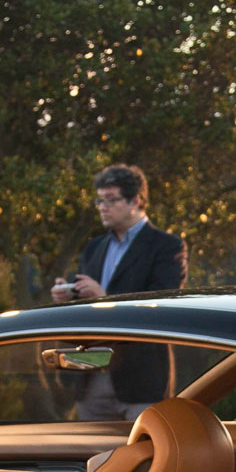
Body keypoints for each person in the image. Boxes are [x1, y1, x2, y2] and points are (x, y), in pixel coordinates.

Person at [51, 164, 187, 421]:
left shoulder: (167, 247)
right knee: (90, 449)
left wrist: (104, 298)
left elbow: (161, 304)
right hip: (92, 377)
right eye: (99, 200)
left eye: (111, 200)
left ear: (136, 201)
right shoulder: (93, 247)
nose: (103, 207)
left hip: (141, 379)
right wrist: (68, 298)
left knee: (144, 447)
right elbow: (85, 306)